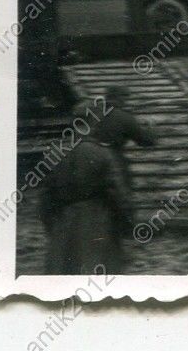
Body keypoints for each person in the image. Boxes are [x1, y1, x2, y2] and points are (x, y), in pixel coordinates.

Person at [40, 104, 132, 274]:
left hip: (63, 228)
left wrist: (53, 228)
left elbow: (45, 200)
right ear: (94, 123)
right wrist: (126, 225)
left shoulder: (55, 154)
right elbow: (118, 196)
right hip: (96, 227)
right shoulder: (104, 154)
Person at [90, 85, 157, 190]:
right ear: (120, 98)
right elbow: (146, 141)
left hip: (86, 157)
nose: (126, 102)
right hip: (112, 159)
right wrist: (151, 128)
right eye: (125, 97)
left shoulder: (90, 112)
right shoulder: (124, 117)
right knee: (122, 187)